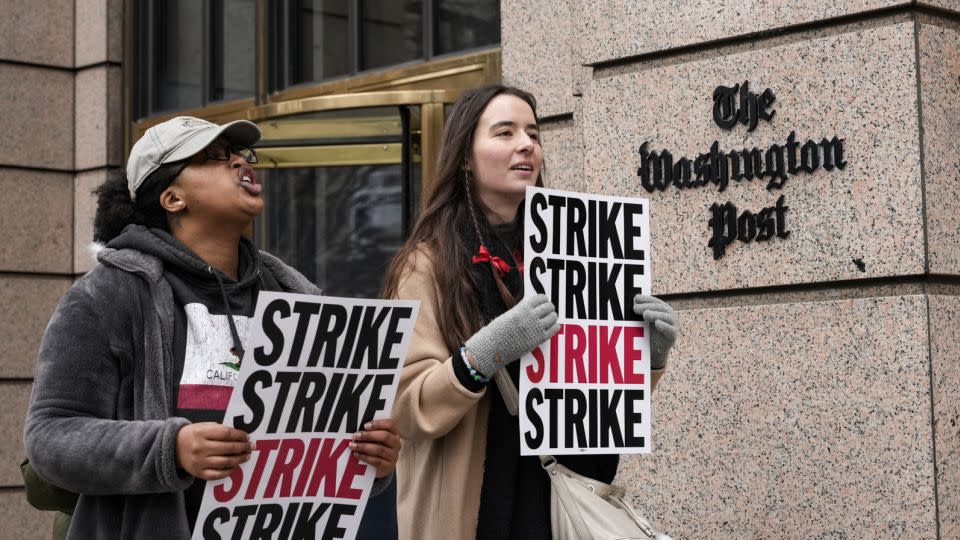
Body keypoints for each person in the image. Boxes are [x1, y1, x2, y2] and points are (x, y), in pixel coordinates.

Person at [23, 116, 401, 539]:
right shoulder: (106, 296)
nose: (239, 162)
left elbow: (319, 450)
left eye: (240, 153)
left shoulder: (297, 295)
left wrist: (370, 457)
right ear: (172, 198)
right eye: (214, 158)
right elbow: (50, 438)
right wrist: (172, 449)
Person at [381, 85, 680, 539]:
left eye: (533, 134)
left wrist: (647, 355)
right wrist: (483, 354)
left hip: (562, 503)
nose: (526, 144)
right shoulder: (427, 263)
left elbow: (595, 395)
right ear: (465, 156)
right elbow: (404, 407)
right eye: (504, 132)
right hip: (478, 511)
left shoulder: (580, 252)